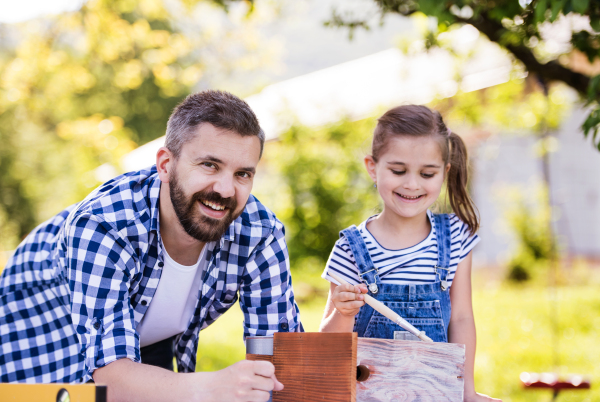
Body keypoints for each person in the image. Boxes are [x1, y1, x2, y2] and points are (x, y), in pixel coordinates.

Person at [0, 90, 302, 401]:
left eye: (242, 174)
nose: (225, 190)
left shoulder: (258, 232)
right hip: (37, 342)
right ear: (165, 165)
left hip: (134, 343)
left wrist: (270, 377)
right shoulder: (104, 226)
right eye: (210, 165)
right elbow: (114, 383)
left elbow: (280, 352)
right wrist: (213, 387)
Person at [319, 105, 501, 401]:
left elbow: (462, 319)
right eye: (398, 170)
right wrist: (342, 312)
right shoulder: (351, 247)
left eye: (427, 173)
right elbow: (329, 347)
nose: (412, 184)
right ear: (371, 167)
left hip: (436, 394)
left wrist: (466, 392)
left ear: (445, 173)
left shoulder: (455, 236)